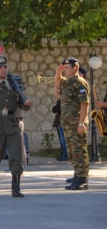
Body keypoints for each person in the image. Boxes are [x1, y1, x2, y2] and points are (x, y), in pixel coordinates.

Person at [0, 46, 33, 197]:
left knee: (16, 155)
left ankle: (16, 187)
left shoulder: (14, 84)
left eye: (5, 67)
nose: (3, 70)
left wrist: (27, 103)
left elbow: (20, 103)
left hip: (12, 123)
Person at [54, 57, 90, 190]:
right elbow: (58, 83)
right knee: (71, 152)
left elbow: (84, 104)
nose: (65, 69)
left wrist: (81, 123)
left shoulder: (80, 83)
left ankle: (82, 179)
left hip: (76, 123)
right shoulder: (68, 82)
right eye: (64, 67)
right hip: (68, 124)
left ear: (75, 68)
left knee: (79, 151)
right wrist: (58, 72)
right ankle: (77, 175)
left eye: (67, 67)